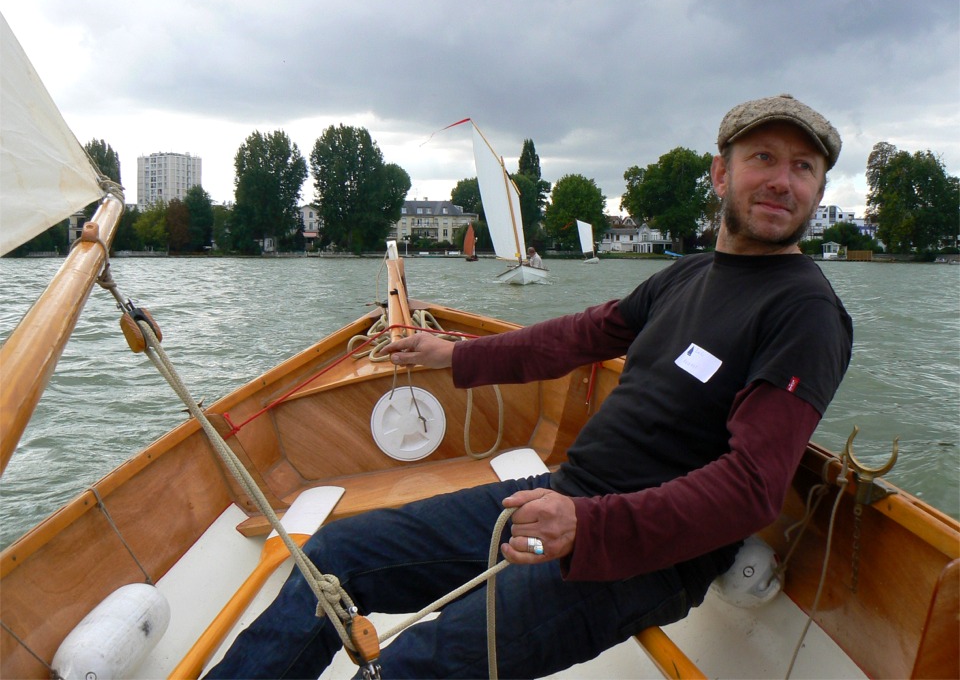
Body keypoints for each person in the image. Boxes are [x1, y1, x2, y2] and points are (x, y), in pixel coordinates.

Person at [206, 94, 852, 679]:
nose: (780, 181)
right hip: (566, 493)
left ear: (819, 191)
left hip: (640, 556)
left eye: (802, 168)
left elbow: (752, 488)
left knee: (417, 666)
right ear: (721, 174)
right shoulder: (687, 276)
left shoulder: (805, 314)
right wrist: (454, 358)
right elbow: (576, 337)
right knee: (330, 561)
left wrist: (589, 525)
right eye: (762, 158)